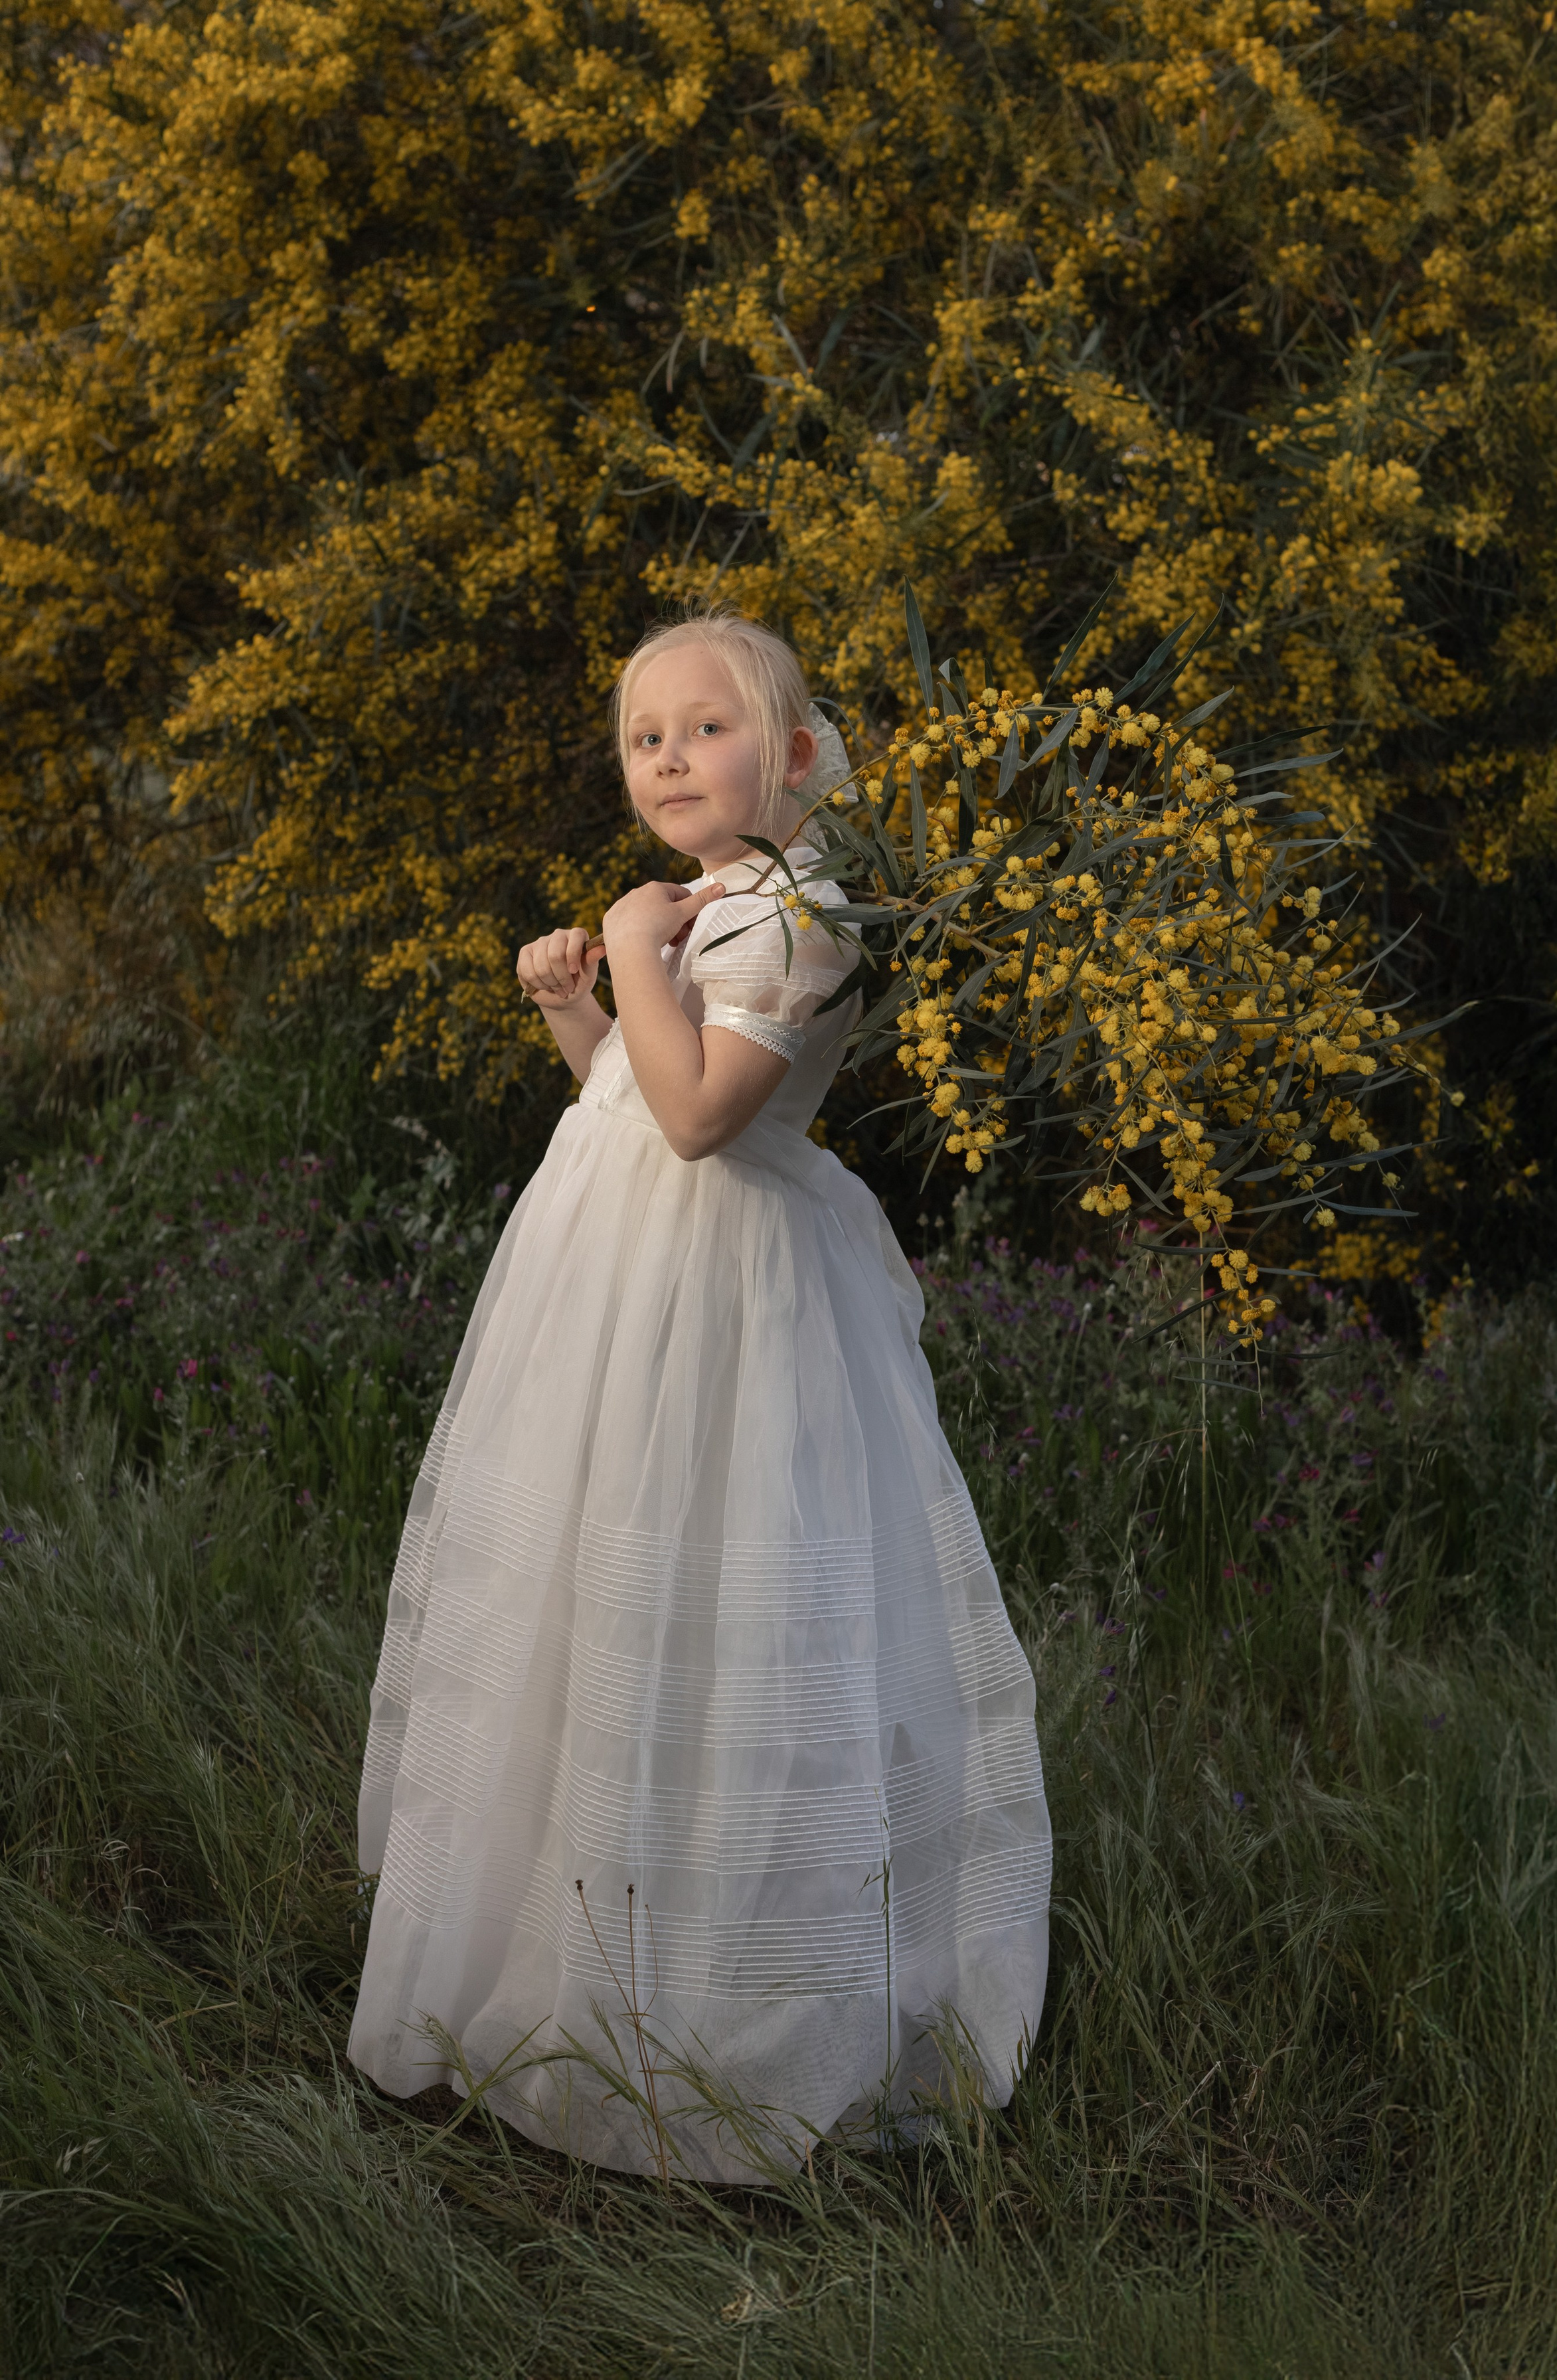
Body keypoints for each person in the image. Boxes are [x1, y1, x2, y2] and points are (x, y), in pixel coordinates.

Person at [347, 606, 1052, 2183]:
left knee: (727, 1604)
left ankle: (738, 2007)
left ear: (793, 754)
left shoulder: (809, 910)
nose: (668, 756)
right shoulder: (711, 903)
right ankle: (557, 1946)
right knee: (592, 1600)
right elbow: (624, 1092)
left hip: (731, 1310)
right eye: (643, 737)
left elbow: (697, 1120)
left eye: (705, 727)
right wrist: (577, 1007)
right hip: (618, 1301)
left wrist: (624, 939)